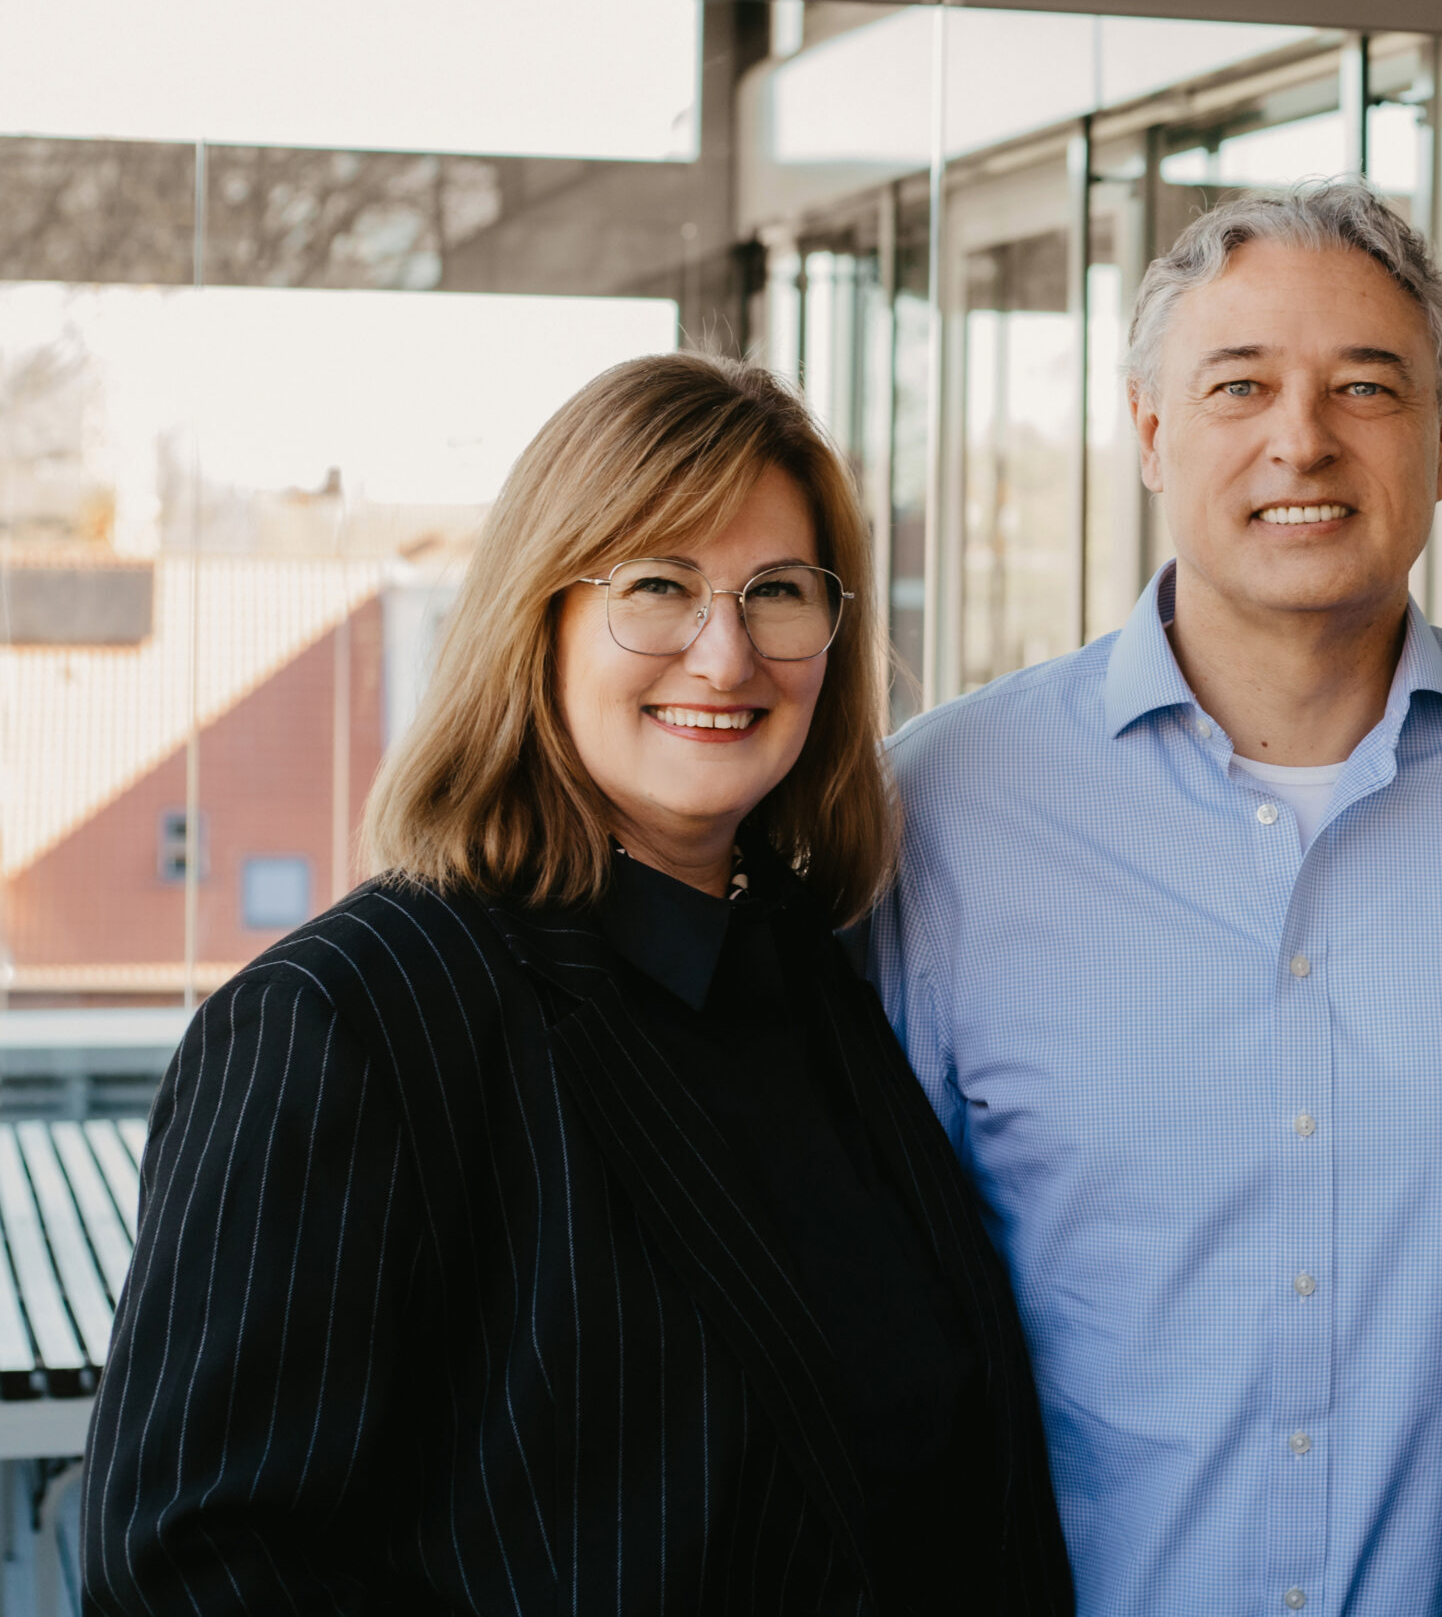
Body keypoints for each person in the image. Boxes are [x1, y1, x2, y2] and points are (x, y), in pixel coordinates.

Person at [83, 355, 1073, 1613]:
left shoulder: (821, 980)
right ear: (536, 616)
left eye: (776, 592)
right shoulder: (349, 1021)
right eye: (658, 586)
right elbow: (186, 1565)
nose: (724, 655)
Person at [869, 179, 1442, 1614]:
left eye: (1367, 386)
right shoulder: (941, 805)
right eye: (1240, 385)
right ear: (1148, 430)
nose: (1303, 438)